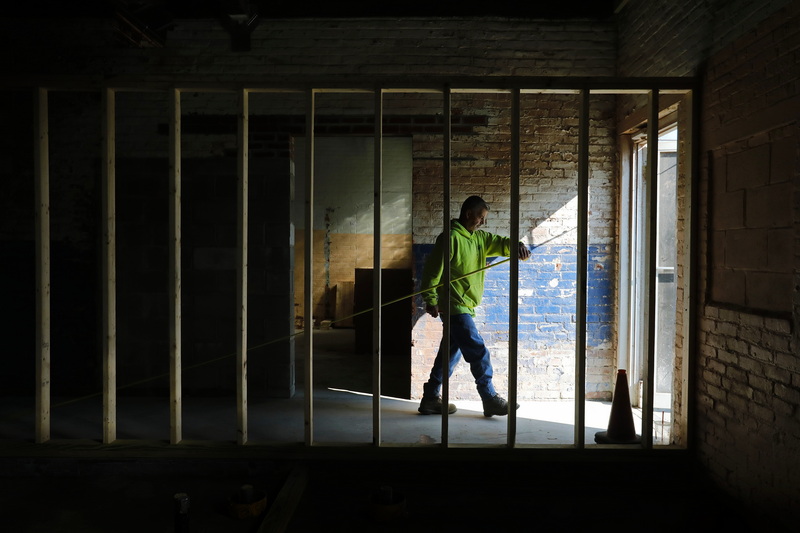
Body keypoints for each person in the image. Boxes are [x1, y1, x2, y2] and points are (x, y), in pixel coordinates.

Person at [418, 195, 531, 417]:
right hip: (454, 306)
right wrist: (431, 300)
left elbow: (501, 243)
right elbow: (432, 272)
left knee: (448, 355)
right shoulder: (450, 238)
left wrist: (517, 247)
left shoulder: (479, 239)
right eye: (480, 217)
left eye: (484, 219)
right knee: (478, 351)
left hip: (467, 306)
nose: (482, 222)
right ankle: (489, 398)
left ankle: (430, 397)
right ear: (468, 214)